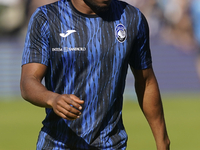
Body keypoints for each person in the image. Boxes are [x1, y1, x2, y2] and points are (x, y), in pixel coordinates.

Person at [20, 0, 170, 149]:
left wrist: (162, 141)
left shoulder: (132, 18)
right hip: (57, 144)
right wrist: (52, 99)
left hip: (111, 145)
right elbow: (29, 80)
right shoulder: (46, 18)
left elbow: (146, 81)